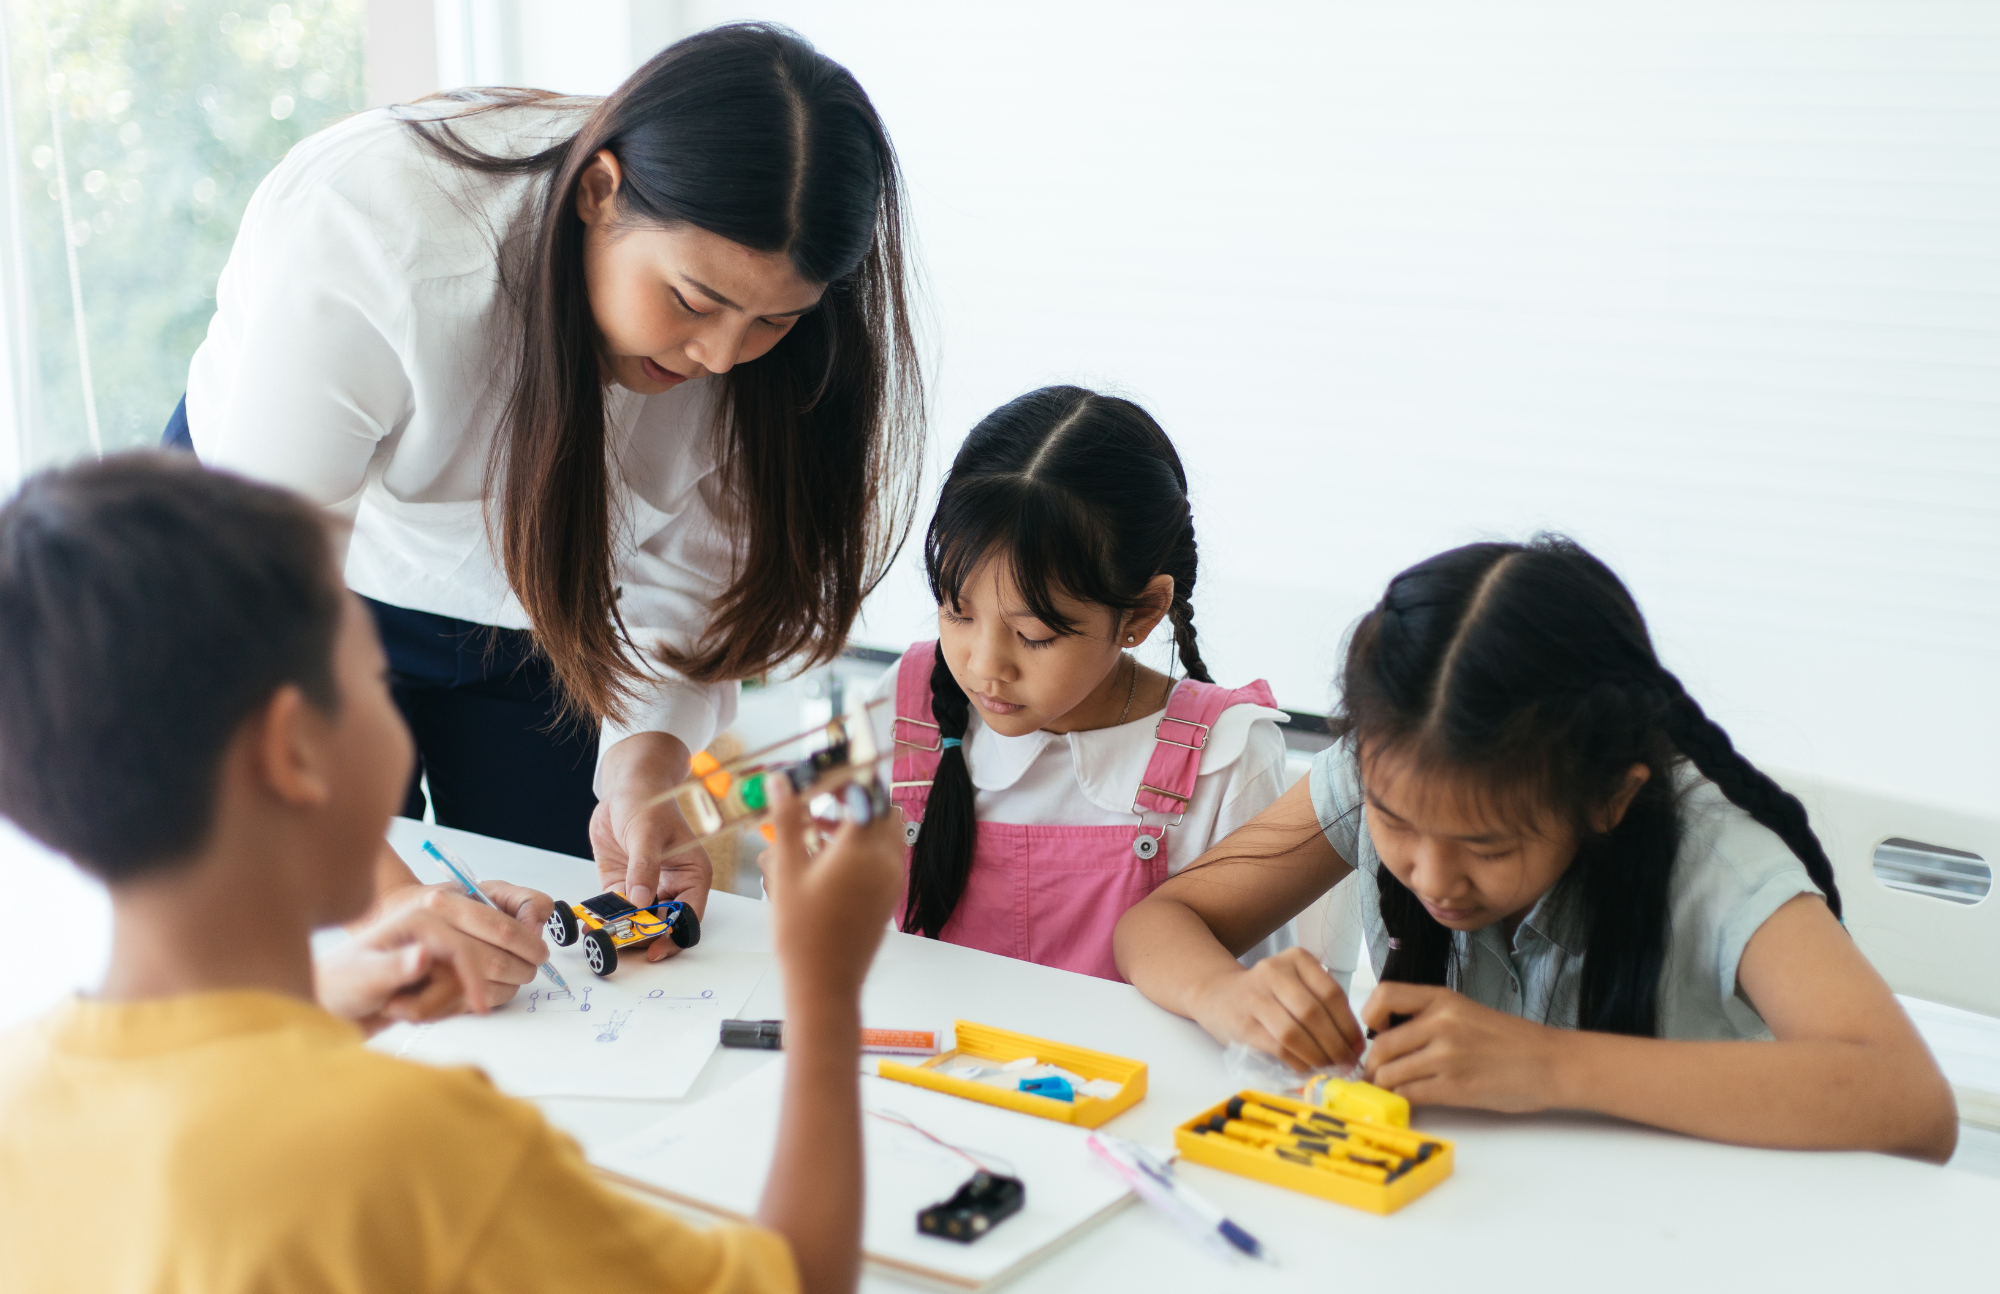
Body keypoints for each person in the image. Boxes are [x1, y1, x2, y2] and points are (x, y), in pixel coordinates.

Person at [0, 453, 905, 1293]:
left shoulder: (21, 1095)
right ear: (292, 751)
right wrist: (825, 988)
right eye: (369, 676)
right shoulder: (417, 1149)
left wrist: (312, 1004)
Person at [169, 23, 923, 978]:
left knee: (559, 943)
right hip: (295, 580)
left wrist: (646, 776)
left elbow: (689, 595)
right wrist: (395, 897)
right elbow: (251, 631)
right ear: (600, 194)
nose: (722, 356)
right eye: (692, 301)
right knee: (303, 926)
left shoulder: (774, 368)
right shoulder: (380, 242)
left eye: (773, 319)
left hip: (552, 603)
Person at [1114, 537, 1958, 1160]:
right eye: (1398, 824)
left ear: (1609, 797)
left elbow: (1911, 1103)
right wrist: (1228, 996)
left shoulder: (1712, 861)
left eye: (1487, 844)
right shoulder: (1379, 768)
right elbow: (1160, 921)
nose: (1434, 875)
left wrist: (1552, 1068)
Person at [866, 386, 1292, 980]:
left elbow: (1253, 1014)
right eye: (956, 612)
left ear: (1141, 613)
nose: (987, 666)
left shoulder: (1227, 760)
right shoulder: (902, 704)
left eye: (1035, 634)